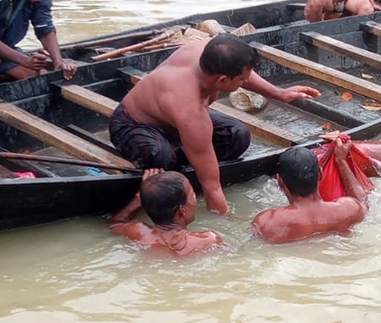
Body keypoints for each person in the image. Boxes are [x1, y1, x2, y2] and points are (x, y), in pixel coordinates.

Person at [110, 34, 320, 215]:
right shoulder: (191, 111)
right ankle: (193, 155)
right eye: (239, 81)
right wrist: (225, 223)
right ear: (221, 81)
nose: (243, 84)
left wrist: (279, 93)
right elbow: (212, 188)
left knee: (237, 135)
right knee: (161, 157)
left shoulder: (209, 52)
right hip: (133, 124)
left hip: (176, 122)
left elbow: (242, 72)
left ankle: (193, 153)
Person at [252, 142, 369, 243]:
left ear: (280, 181)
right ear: (320, 174)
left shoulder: (268, 222)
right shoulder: (348, 209)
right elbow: (363, 202)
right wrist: (341, 160)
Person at [108, 170, 222, 256]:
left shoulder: (138, 232)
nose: (195, 198)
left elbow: (114, 223)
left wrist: (138, 199)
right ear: (182, 210)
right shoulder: (209, 240)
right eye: (192, 195)